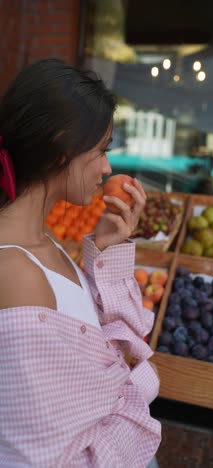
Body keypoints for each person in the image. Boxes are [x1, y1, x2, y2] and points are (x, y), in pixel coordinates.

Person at [0, 59, 161, 467]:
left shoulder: (41, 242)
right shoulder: (16, 271)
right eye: (101, 150)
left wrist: (106, 250)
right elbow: (41, 456)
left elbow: (99, 345)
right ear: (61, 146)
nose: (107, 167)